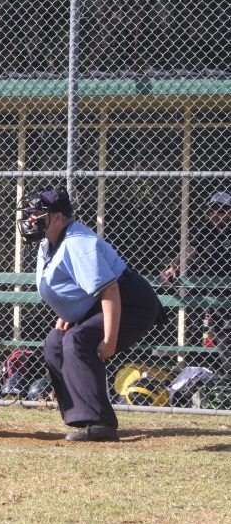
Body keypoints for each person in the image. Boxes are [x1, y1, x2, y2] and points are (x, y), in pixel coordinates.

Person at [18, 187, 162, 442]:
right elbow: (70, 284)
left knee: (78, 340)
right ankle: (82, 417)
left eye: (39, 213)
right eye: (31, 213)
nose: (31, 218)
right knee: (55, 343)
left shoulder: (78, 243)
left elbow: (111, 290)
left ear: (59, 216)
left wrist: (109, 339)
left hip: (130, 303)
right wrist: (69, 313)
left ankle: (101, 424)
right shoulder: (50, 243)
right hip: (99, 303)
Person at [159, 191, 231, 371]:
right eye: (213, 209)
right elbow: (190, 250)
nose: (216, 214)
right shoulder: (206, 230)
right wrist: (173, 266)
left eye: (222, 210)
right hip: (215, 294)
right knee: (220, 335)